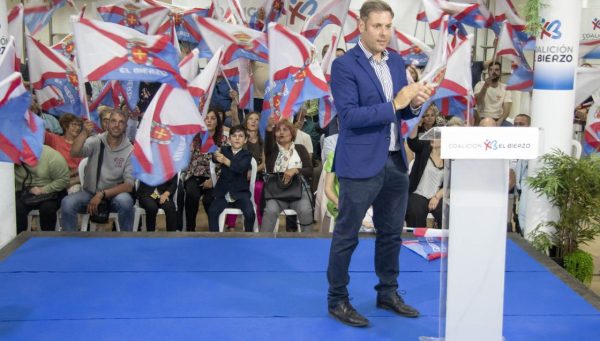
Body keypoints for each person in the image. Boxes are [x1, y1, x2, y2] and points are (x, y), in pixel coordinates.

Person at [326, 0, 433, 327]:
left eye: (388, 26)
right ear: (362, 26)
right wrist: (395, 103)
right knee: (347, 234)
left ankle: (387, 292)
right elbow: (349, 117)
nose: (384, 32)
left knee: (391, 234)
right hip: (359, 162)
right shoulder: (345, 66)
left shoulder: (397, 61)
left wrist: (413, 105)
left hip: (395, 161)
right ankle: (337, 300)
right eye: (377, 26)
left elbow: (401, 111)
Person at [60, 109, 135, 231]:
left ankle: (126, 242)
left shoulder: (130, 150)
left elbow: (128, 185)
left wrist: (102, 194)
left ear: (125, 126)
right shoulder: (97, 140)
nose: (116, 125)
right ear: (107, 124)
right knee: (67, 203)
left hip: (114, 194)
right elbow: (74, 152)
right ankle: (70, 243)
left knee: (126, 202)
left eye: (121, 122)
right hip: (90, 192)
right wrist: (84, 133)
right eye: (113, 121)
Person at [261, 118, 313, 233]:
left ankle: (308, 243)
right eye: (278, 130)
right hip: (277, 192)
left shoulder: (300, 148)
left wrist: (295, 170)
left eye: (285, 129)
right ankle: (263, 242)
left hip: (299, 191)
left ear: (292, 133)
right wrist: (269, 128)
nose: (281, 132)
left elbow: (310, 170)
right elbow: (268, 141)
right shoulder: (272, 150)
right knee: (270, 210)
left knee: (306, 210)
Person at [179, 109, 226, 231]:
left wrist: (213, 180)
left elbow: (225, 164)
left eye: (213, 118)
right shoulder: (195, 139)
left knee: (209, 200)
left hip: (214, 178)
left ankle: (214, 231)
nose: (209, 121)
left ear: (217, 122)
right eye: (207, 118)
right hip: (194, 175)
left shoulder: (223, 140)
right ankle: (190, 230)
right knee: (192, 194)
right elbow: (187, 161)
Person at [208, 126, 256, 232]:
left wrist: (225, 160)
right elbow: (214, 159)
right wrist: (216, 156)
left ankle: (249, 236)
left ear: (245, 140)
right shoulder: (224, 150)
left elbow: (240, 168)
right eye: (234, 136)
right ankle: (214, 238)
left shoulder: (247, 155)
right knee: (212, 211)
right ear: (229, 139)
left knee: (250, 213)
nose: (237, 138)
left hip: (240, 194)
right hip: (223, 193)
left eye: (240, 136)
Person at [14, 145, 70, 232]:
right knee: (16, 208)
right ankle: (19, 240)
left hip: (52, 191)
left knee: (47, 209)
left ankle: (47, 240)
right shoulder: (10, 157)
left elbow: (64, 180)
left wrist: (43, 190)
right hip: (25, 191)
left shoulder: (52, 156)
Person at [405, 118, 444, 228]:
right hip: (418, 193)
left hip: (437, 195)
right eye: (432, 135)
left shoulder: (450, 159)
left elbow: (451, 183)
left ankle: (444, 241)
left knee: (446, 211)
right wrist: (416, 122)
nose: (433, 138)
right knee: (415, 212)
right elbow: (412, 141)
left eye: (437, 137)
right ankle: (417, 241)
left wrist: (437, 197)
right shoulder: (424, 148)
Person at [44, 114, 84, 193]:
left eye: (79, 125)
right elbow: (37, 131)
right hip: (59, 178)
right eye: (74, 125)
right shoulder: (54, 139)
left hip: (78, 178)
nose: (77, 128)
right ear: (65, 126)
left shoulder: (83, 142)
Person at [474, 61, 513, 126]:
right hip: (482, 117)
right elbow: (478, 102)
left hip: (498, 119)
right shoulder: (480, 85)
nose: (493, 72)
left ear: (500, 72)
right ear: (488, 72)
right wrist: (485, 87)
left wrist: (499, 121)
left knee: (510, 127)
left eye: (496, 70)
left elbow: (507, 110)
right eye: (491, 70)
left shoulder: (505, 88)